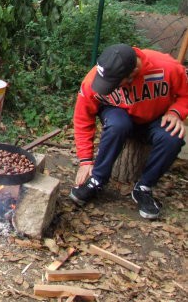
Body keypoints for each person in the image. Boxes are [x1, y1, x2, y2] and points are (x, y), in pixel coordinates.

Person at [70, 43, 187, 219]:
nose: (108, 86)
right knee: (118, 124)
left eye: (113, 84)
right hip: (119, 114)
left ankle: (143, 188)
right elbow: (82, 117)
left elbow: (185, 94)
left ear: (132, 74)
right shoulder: (95, 77)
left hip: (155, 119)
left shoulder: (166, 67)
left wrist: (176, 112)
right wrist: (85, 160)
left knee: (173, 136)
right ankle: (97, 179)